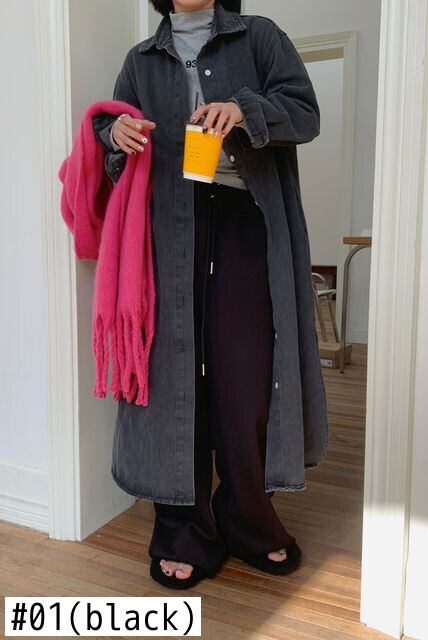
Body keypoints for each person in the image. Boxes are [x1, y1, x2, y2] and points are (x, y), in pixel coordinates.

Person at [93, 0, 329, 590]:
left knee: (245, 373)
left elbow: (305, 114)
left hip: (245, 218)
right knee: (173, 377)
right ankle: (183, 531)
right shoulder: (140, 60)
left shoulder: (259, 37)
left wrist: (245, 109)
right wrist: (115, 134)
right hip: (167, 228)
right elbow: (112, 139)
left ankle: (248, 519)